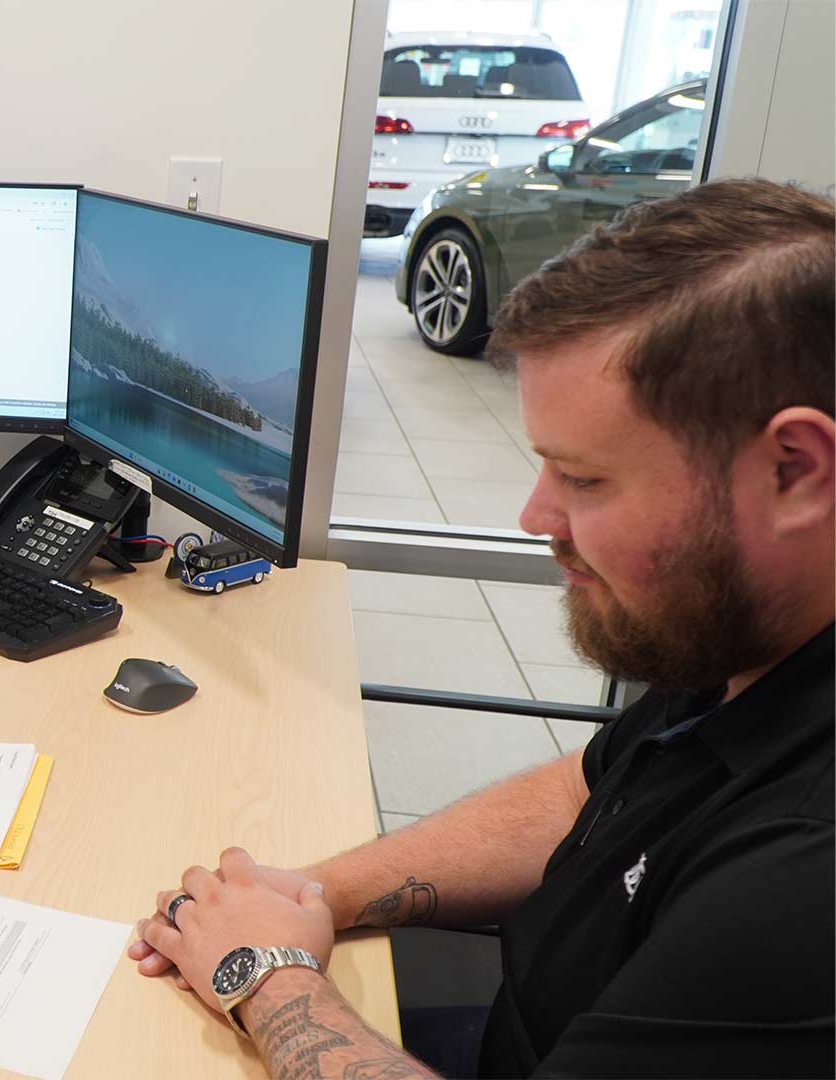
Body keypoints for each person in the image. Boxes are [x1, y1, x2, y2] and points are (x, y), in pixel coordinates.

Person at [127, 176, 835, 1077]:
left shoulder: (806, 878)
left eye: (584, 480)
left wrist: (263, 972)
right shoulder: (753, 625)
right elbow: (590, 796)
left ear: (794, 470)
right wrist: (312, 892)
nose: (537, 516)